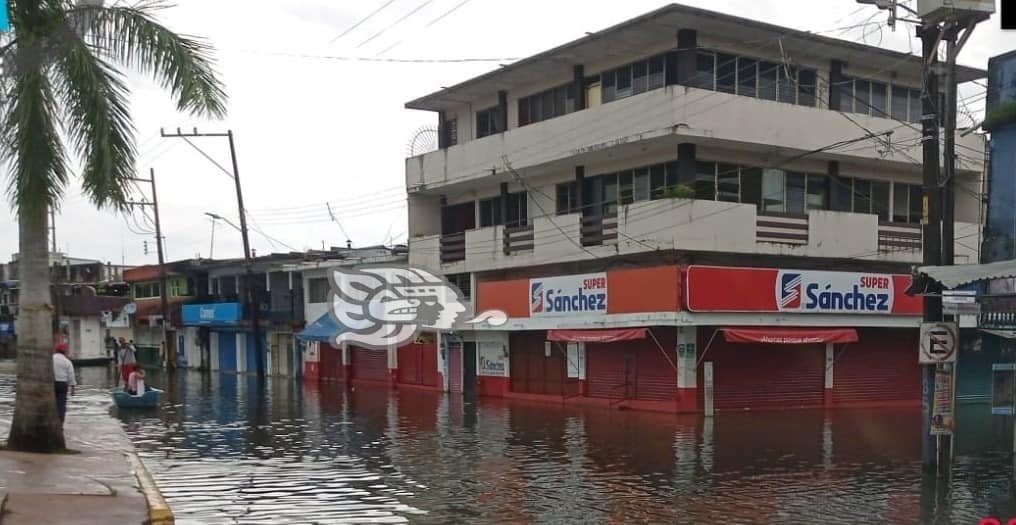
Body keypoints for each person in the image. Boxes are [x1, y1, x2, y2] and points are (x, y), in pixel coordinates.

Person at [52, 341, 76, 424]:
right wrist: (73, 388)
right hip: (62, 384)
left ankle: (53, 421)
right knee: (61, 405)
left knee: (52, 404)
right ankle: (60, 423)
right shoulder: (67, 361)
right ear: (65, 351)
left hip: (52, 384)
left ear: (55, 350)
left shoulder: (51, 359)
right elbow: (71, 375)